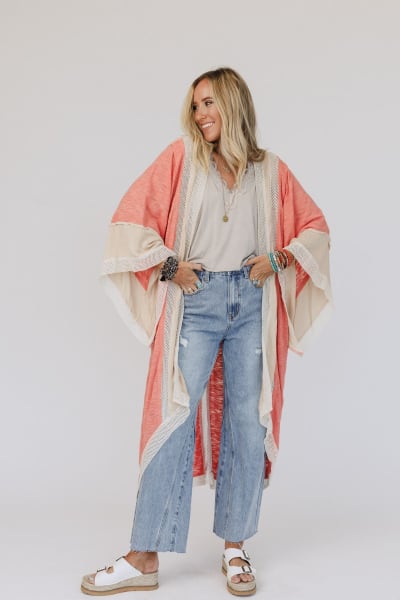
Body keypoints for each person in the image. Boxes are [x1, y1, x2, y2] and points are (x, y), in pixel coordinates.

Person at [81, 67, 332, 597]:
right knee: (172, 417)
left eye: (210, 102)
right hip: (195, 302)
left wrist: (278, 259)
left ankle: (235, 547)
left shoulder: (271, 170)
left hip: (252, 301)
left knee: (246, 420)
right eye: (196, 105)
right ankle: (143, 554)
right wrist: (170, 267)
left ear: (234, 104)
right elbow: (132, 218)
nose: (200, 114)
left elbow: (315, 227)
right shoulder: (182, 159)